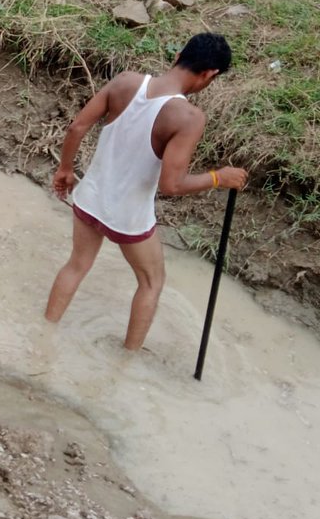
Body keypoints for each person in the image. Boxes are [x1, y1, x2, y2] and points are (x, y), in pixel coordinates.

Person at [44, 33, 248, 351]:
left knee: (76, 265)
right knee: (152, 282)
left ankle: (44, 333)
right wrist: (218, 177)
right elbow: (172, 184)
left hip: (90, 199)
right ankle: (127, 360)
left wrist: (65, 170)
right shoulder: (189, 117)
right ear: (210, 74)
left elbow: (77, 128)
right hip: (129, 218)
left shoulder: (126, 81)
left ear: (179, 53)